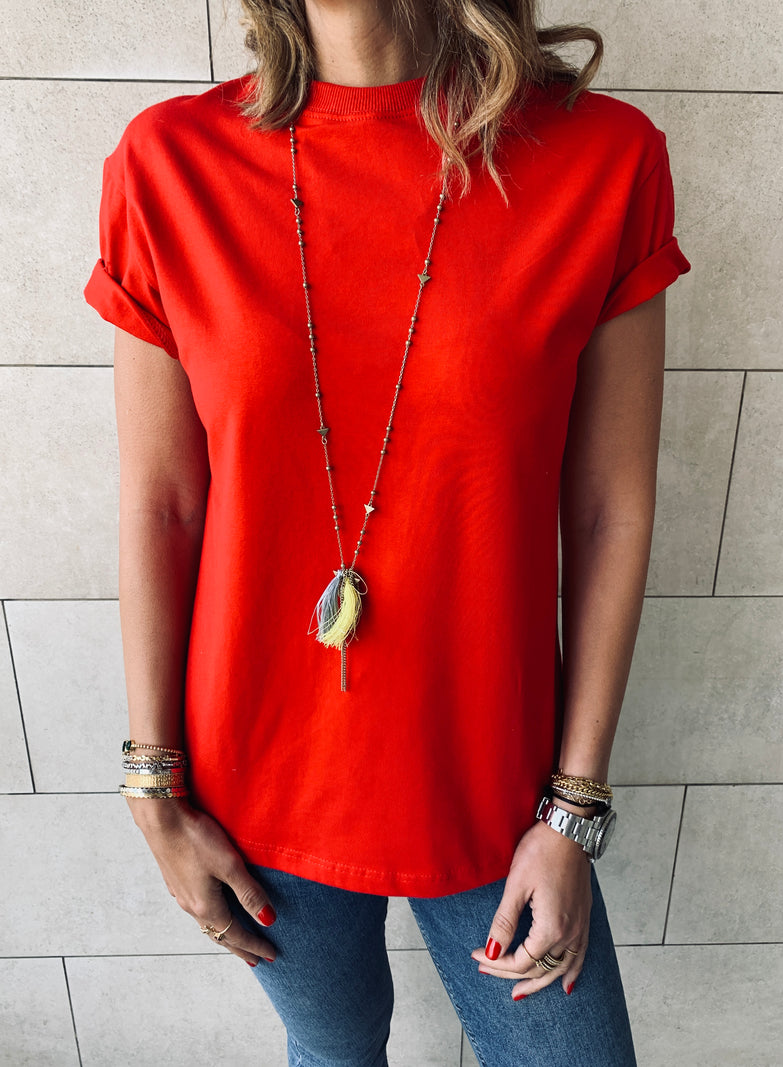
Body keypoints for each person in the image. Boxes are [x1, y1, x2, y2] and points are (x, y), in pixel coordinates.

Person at [85, 1, 690, 1064]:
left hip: (495, 790)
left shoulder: (602, 161)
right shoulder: (169, 164)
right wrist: (153, 792)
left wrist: (573, 811)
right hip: (255, 793)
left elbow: (608, 511)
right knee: (336, 1050)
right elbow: (161, 502)